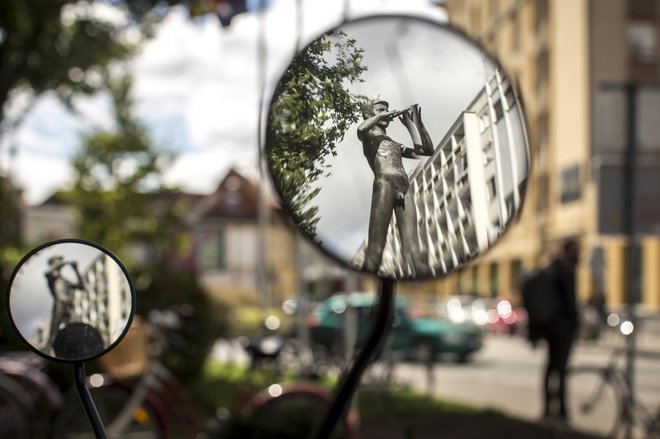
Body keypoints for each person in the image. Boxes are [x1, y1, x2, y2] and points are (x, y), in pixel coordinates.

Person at [357, 99, 434, 275]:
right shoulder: (369, 136)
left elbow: (427, 151)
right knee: (375, 251)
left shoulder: (394, 143)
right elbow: (361, 130)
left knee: (415, 251)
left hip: (404, 187)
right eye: (380, 109)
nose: (386, 112)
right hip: (384, 184)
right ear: (369, 114)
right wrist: (380, 117)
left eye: (387, 110)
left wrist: (415, 124)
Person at [542, 239, 580, 423]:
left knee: (550, 369)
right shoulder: (566, 270)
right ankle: (562, 411)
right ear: (569, 250)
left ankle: (547, 409)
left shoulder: (553, 267)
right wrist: (576, 323)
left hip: (550, 327)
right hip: (563, 328)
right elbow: (570, 301)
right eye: (577, 249)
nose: (579, 253)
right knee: (561, 370)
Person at [45, 256, 85, 349]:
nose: (61, 262)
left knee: (74, 330)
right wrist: (64, 263)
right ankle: (48, 350)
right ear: (53, 263)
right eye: (58, 260)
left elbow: (81, 286)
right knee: (54, 332)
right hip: (60, 305)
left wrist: (76, 270)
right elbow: (49, 272)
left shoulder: (64, 280)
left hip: (70, 307)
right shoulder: (51, 277)